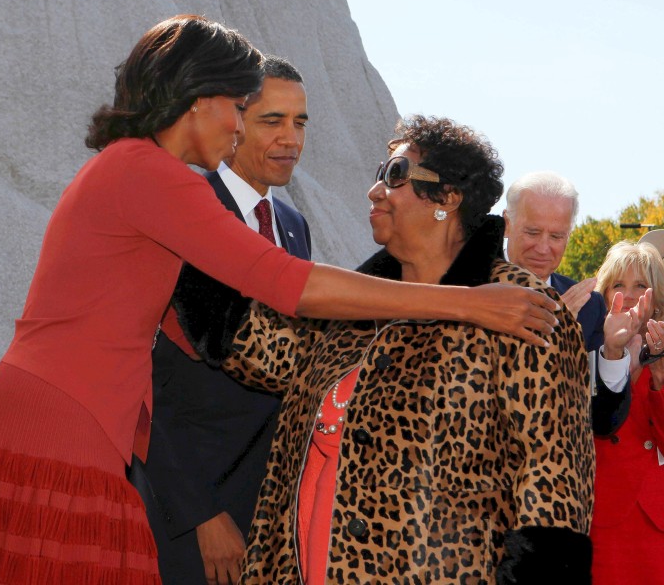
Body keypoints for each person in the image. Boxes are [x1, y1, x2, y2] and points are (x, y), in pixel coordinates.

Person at [0, 16, 557, 584]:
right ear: (198, 101)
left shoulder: (131, 171)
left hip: (61, 432)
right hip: (53, 438)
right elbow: (286, 284)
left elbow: (220, 332)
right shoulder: (150, 174)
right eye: (240, 107)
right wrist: (467, 304)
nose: (243, 126)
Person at [172, 116, 594, 584]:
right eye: (378, 175)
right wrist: (186, 209)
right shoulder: (349, 313)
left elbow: (554, 489)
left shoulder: (519, 307)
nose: (375, 190)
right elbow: (243, 339)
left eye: (395, 175)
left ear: (448, 198)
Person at [131, 55, 311, 585]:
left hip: (269, 507)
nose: (290, 138)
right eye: (272, 120)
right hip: (189, 509)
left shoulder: (295, 225)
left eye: (300, 122)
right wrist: (198, 514)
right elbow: (143, 374)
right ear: (235, 121)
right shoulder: (183, 208)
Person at [503, 171, 638, 434]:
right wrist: (549, 325)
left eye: (556, 237)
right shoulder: (469, 285)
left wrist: (612, 352)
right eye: (532, 232)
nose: (543, 248)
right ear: (507, 223)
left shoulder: (588, 306)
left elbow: (602, 422)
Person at [590, 240, 664, 585]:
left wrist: (660, 380)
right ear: (604, 293)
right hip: (602, 513)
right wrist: (614, 351)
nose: (630, 295)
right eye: (619, 285)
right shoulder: (582, 348)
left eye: (640, 285)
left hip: (656, 517)